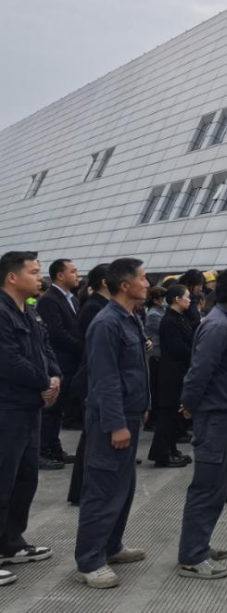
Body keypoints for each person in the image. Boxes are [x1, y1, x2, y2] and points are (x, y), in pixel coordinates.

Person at [74, 258, 151, 589]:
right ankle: (90, 561)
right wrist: (116, 423)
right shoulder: (107, 323)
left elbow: (133, 370)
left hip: (129, 415)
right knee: (102, 491)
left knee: (123, 488)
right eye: (143, 278)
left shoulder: (130, 318)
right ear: (124, 285)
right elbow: (105, 379)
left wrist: (141, 408)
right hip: (112, 420)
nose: (147, 284)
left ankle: (111, 546)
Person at [177, 267, 227, 580]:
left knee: (217, 487)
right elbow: (199, 371)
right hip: (215, 416)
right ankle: (192, 557)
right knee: (207, 487)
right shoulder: (217, 326)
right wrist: (189, 405)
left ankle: (199, 545)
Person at [0, 251, 59, 586]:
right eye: (34, 272)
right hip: (7, 408)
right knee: (2, 480)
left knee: (25, 478)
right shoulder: (1, 313)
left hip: (30, 407)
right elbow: (7, 360)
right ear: (12, 277)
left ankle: (10, 542)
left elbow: (46, 347)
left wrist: (55, 376)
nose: (40, 277)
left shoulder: (31, 311)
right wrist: (43, 382)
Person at [67, 263, 111, 506]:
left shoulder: (101, 306)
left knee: (93, 438)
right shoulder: (95, 307)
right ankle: (82, 491)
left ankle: (86, 490)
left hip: (92, 377)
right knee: (92, 439)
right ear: (105, 281)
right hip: (91, 378)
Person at [36, 258, 82, 468]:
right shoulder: (49, 300)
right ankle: (44, 450)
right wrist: (82, 347)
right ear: (60, 275)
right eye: (73, 271)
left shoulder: (72, 299)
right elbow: (56, 333)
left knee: (58, 410)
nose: (77, 274)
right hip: (60, 361)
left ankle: (54, 448)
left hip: (71, 362)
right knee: (51, 410)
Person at [148, 285, 194, 469]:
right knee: (167, 414)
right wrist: (194, 353)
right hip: (171, 373)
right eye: (187, 296)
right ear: (176, 299)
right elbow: (177, 347)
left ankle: (171, 449)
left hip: (179, 371)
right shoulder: (168, 320)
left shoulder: (179, 317)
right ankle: (162, 454)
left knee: (174, 414)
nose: (189, 300)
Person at [143, 287, 166, 430]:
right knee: (155, 388)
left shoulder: (160, 311)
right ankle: (151, 421)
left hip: (159, 354)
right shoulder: (153, 315)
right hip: (155, 354)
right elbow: (163, 329)